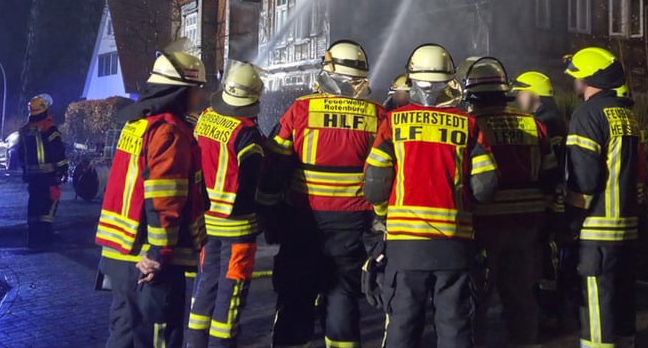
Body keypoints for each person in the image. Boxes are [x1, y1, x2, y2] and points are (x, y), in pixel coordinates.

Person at [364, 44, 498, 348]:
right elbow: (486, 187)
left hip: (405, 245)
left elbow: (374, 185)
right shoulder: (469, 124)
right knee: (454, 327)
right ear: (449, 80)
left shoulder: (392, 122)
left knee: (402, 326)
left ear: (412, 79)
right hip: (454, 243)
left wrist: (384, 214)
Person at [262, 39, 384, 348]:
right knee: (343, 297)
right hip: (351, 222)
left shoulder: (302, 109)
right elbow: (384, 173)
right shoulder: (376, 115)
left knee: (295, 295)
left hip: (303, 218)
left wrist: (269, 211)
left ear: (329, 72)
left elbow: (276, 165)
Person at [95, 51, 208, 348]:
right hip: (150, 260)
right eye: (197, 88)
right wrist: (158, 255)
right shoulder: (169, 132)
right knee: (157, 337)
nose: (201, 95)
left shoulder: (138, 123)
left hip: (123, 252)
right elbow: (164, 199)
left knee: (124, 334)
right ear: (179, 91)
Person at [465, 59, 557, 348]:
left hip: (484, 226)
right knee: (521, 298)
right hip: (527, 227)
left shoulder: (471, 125)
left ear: (473, 96)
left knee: (476, 300)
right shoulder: (534, 125)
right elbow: (550, 176)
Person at [564, 47, 644, 348]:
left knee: (597, 301)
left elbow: (584, 179)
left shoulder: (587, 114)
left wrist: (571, 222)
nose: (573, 81)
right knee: (623, 298)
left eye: (576, 75)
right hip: (628, 227)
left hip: (597, 229)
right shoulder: (627, 114)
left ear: (588, 78)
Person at [188, 62, 266, 347]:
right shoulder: (247, 133)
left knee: (206, 283)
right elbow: (251, 184)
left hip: (206, 222)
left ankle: (195, 341)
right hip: (237, 227)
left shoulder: (205, 118)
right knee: (231, 291)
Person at [513, 71, 572, 330]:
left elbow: (551, 168)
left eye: (521, 93)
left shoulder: (546, 124)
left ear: (533, 94)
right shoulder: (552, 120)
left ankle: (550, 310)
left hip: (550, 203)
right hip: (553, 200)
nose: (518, 98)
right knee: (548, 257)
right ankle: (551, 307)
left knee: (547, 258)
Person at [17, 93, 68, 249]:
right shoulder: (50, 130)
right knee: (49, 204)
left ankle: (33, 238)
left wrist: (25, 171)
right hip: (49, 175)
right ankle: (45, 238)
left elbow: (20, 154)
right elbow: (57, 152)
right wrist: (63, 169)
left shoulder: (24, 131)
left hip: (32, 177)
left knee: (34, 205)